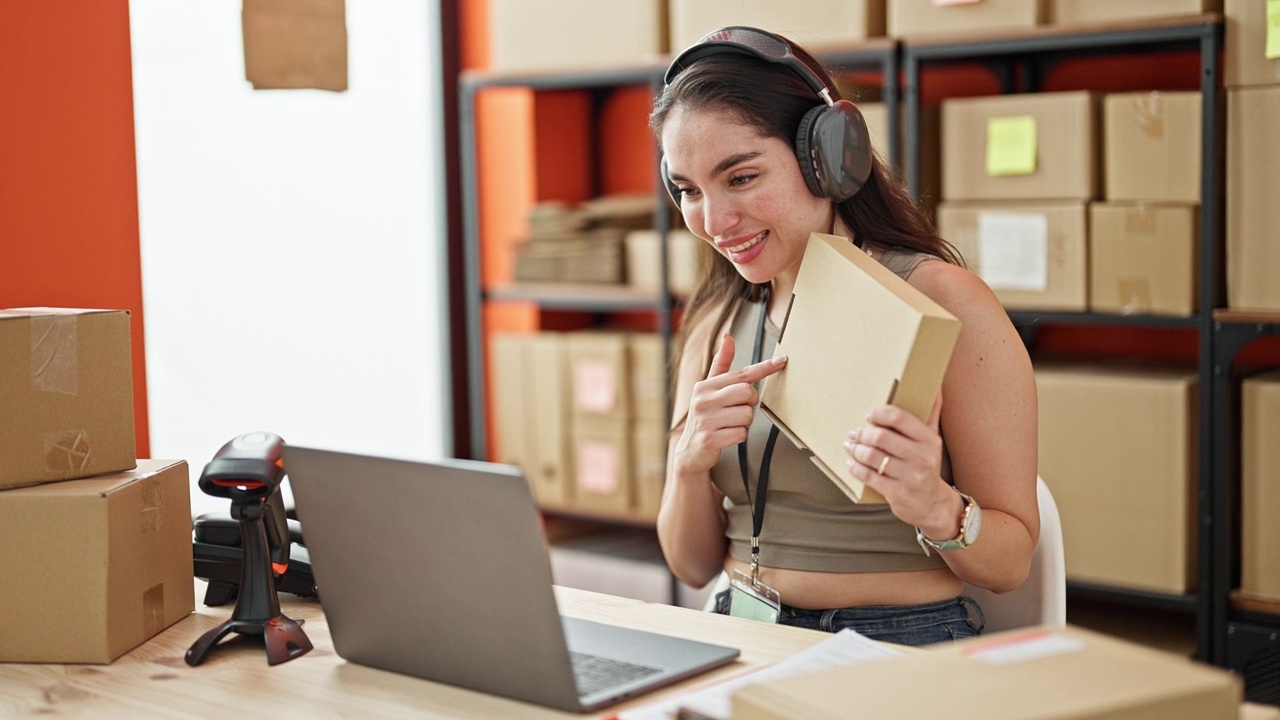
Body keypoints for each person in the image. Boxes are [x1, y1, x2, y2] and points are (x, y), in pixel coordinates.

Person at [652, 26, 1039, 646]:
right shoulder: (716, 322)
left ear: (829, 158)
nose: (715, 222)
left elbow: (1011, 563)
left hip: (894, 637)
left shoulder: (941, 301)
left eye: (742, 178)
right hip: (742, 633)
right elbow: (691, 564)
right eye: (689, 190)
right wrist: (689, 461)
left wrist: (934, 505)